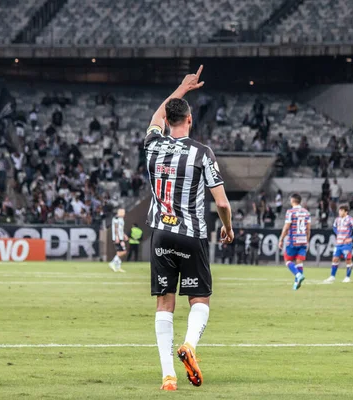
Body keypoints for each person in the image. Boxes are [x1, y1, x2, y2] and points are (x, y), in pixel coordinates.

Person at [144, 66, 233, 391]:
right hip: (191, 235)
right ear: (190, 121)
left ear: (167, 121)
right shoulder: (201, 153)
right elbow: (222, 204)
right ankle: (190, 345)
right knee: (200, 299)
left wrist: (180, 88)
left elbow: (158, 114)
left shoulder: (152, 145)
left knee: (164, 303)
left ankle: (168, 377)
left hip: (160, 234)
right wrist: (228, 227)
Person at [278, 194, 311, 291]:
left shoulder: (290, 212)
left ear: (292, 200)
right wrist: (307, 240)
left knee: (287, 260)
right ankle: (296, 283)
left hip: (293, 240)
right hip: (303, 240)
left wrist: (281, 239)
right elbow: (308, 229)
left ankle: (298, 275)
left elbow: (286, 227)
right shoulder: (306, 212)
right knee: (299, 262)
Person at [324, 205, 353, 284]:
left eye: (341, 211)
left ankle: (347, 277)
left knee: (348, 260)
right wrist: (338, 233)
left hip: (346, 244)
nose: (339, 212)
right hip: (338, 243)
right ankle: (332, 276)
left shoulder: (351, 219)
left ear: (346, 212)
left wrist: (351, 238)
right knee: (335, 259)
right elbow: (334, 227)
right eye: (339, 210)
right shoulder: (337, 219)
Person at [109, 208, 127, 273]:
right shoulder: (116, 218)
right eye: (123, 212)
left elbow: (120, 228)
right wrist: (117, 237)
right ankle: (112, 263)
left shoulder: (121, 219)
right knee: (123, 251)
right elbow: (116, 228)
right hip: (118, 238)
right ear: (120, 212)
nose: (124, 213)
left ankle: (118, 267)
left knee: (119, 252)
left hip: (120, 237)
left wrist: (124, 235)